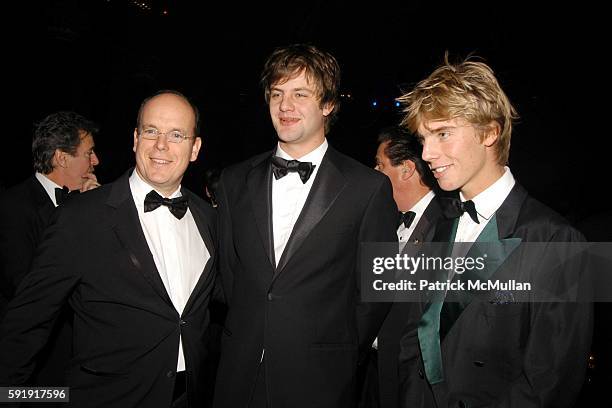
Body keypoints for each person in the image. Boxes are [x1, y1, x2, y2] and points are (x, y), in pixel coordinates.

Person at [396, 56, 592, 407]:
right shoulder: (438, 225)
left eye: (442, 133)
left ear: (489, 132)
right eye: (424, 137)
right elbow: (417, 336)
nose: (426, 152)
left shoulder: (556, 241)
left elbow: (550, 383)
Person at [0, 90, 217, 408]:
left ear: (195, 148)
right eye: (151, 131)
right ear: (135, 138)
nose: (160, 145)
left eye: (176, 134)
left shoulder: (208, 218)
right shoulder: (81, 217)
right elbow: (26, 323)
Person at [213, 44, 397, 408]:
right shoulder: (233, 181)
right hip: (239, 372)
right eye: (277, 94)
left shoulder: (367, 187)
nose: (285, 106)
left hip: (321, 378)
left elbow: (377, 291)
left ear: (328, 104)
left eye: (300, 94)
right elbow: (230, 276)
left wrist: (337, 349)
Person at [0, 111, 100, 390]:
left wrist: (93, 213)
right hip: (39, 363)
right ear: (61, 158)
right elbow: (24, 288)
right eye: (89, 153)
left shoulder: (93, 204)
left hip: (87, 360)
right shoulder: (13, 206)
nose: (96, 161)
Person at [372, 126, 446, 408]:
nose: (373, 172)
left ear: (406, 170)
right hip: (376, 368)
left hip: (415, 380)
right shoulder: (383, 221)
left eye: (380, 165)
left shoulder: (446, 226)